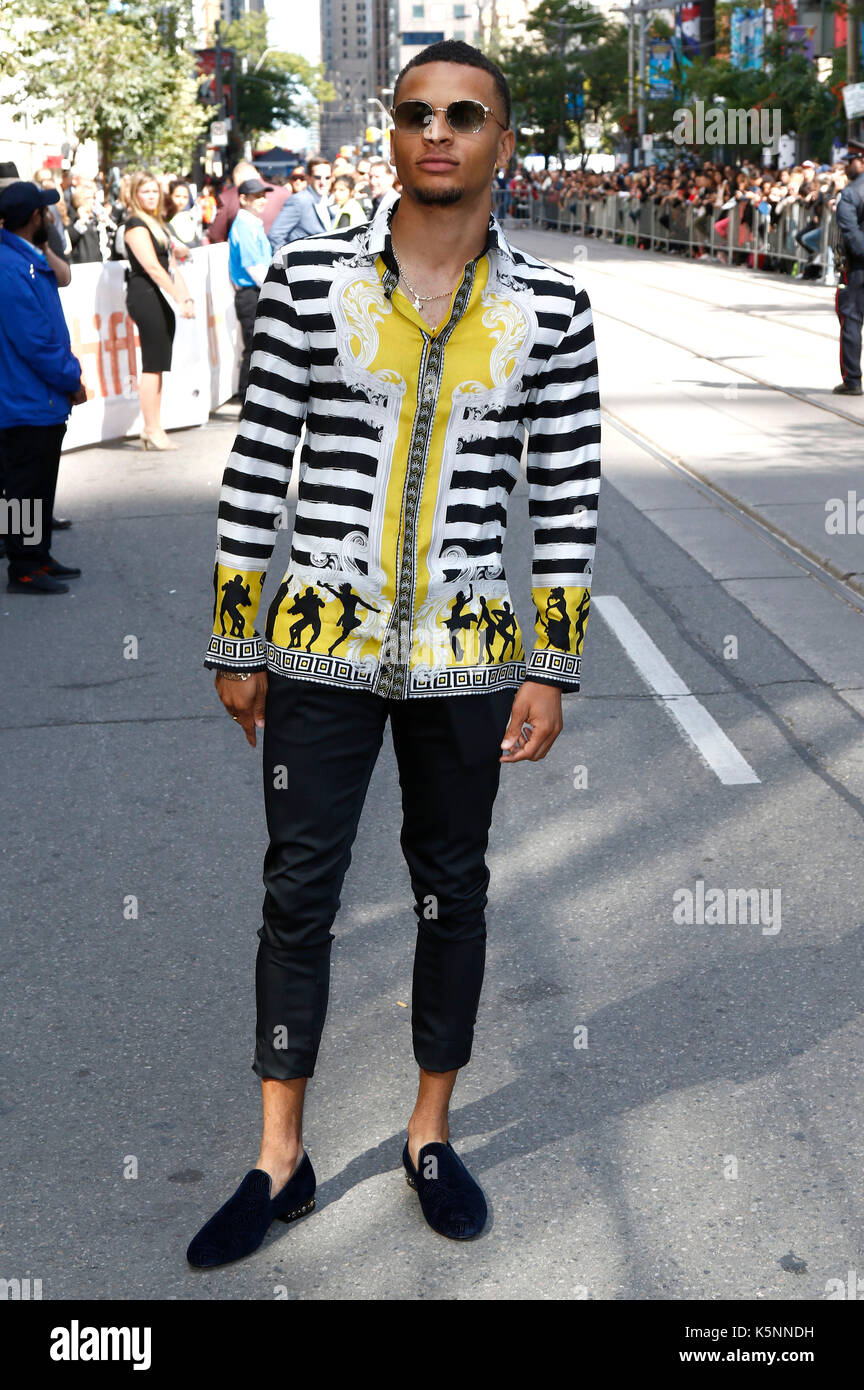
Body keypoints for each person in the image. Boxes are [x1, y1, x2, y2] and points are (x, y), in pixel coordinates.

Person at [188, 37, 601, 1268]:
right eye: (418, 112)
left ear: (501, 142)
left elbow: (566, 498)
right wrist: (236, 637)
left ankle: (430, 1131)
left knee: (450, 891)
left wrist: (552, 664)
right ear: (393, 130)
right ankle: (279, 1156)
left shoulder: (554, 308)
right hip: (320, 644)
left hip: (469, 657)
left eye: (465, 115)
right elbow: (257, 466)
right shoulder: (313, 278)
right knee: (297, 893)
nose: (438, 132)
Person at [0, 181, 86, 593]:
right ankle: (23, 566)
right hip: (24, 396)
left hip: (36, 395)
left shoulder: (24, 257)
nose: (50, 217)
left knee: (37, 485)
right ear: (35, 217)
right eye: (45, 212)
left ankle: (38, 556)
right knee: (23, 490)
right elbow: (35, 341)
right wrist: (71, 378)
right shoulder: (10, 266)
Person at [123, 171, 196, 450]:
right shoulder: (135, 224)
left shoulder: (157, 223)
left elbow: (171, 265)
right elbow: (153, 267)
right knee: (153, 365)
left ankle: (154, 426)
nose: (152, 196)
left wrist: (186, 297)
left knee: (158, 364)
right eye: (146, 191)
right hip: (144, 295)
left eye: (155, 191)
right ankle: (152, 428)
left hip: (157, 296)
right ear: (135, 195)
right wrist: (178, 298)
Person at [227, 176, 274, 400]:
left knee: (258, 347)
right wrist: (273, 288)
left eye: (263, 196)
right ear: (243, 199)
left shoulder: (250, 223)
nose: (262, 200)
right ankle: (247, 400)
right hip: (251, 293)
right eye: (257, 196)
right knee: (255, 348)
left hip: (254, 291)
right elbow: (253, 266)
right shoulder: (245, 226)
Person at [832, 144, 864, 395]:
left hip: (857, 268)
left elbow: (851, 232)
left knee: (851, 319)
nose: (846, 166)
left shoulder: (851, 193)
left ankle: (852, 380)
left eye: (851, 161)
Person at [268, 155, 333, 249]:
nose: (323, 182)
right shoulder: (299, 200)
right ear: (308, 178)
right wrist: (289, 257)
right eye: (318, 177)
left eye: (327, 178)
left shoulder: (327, 201)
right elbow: (275, 235)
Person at [167, 179, 203, 249]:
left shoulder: (186, 216)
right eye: (177, 196)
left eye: (185, 197)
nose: (181, 201)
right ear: (170, 195)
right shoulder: (166, 219)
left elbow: (195, 238)